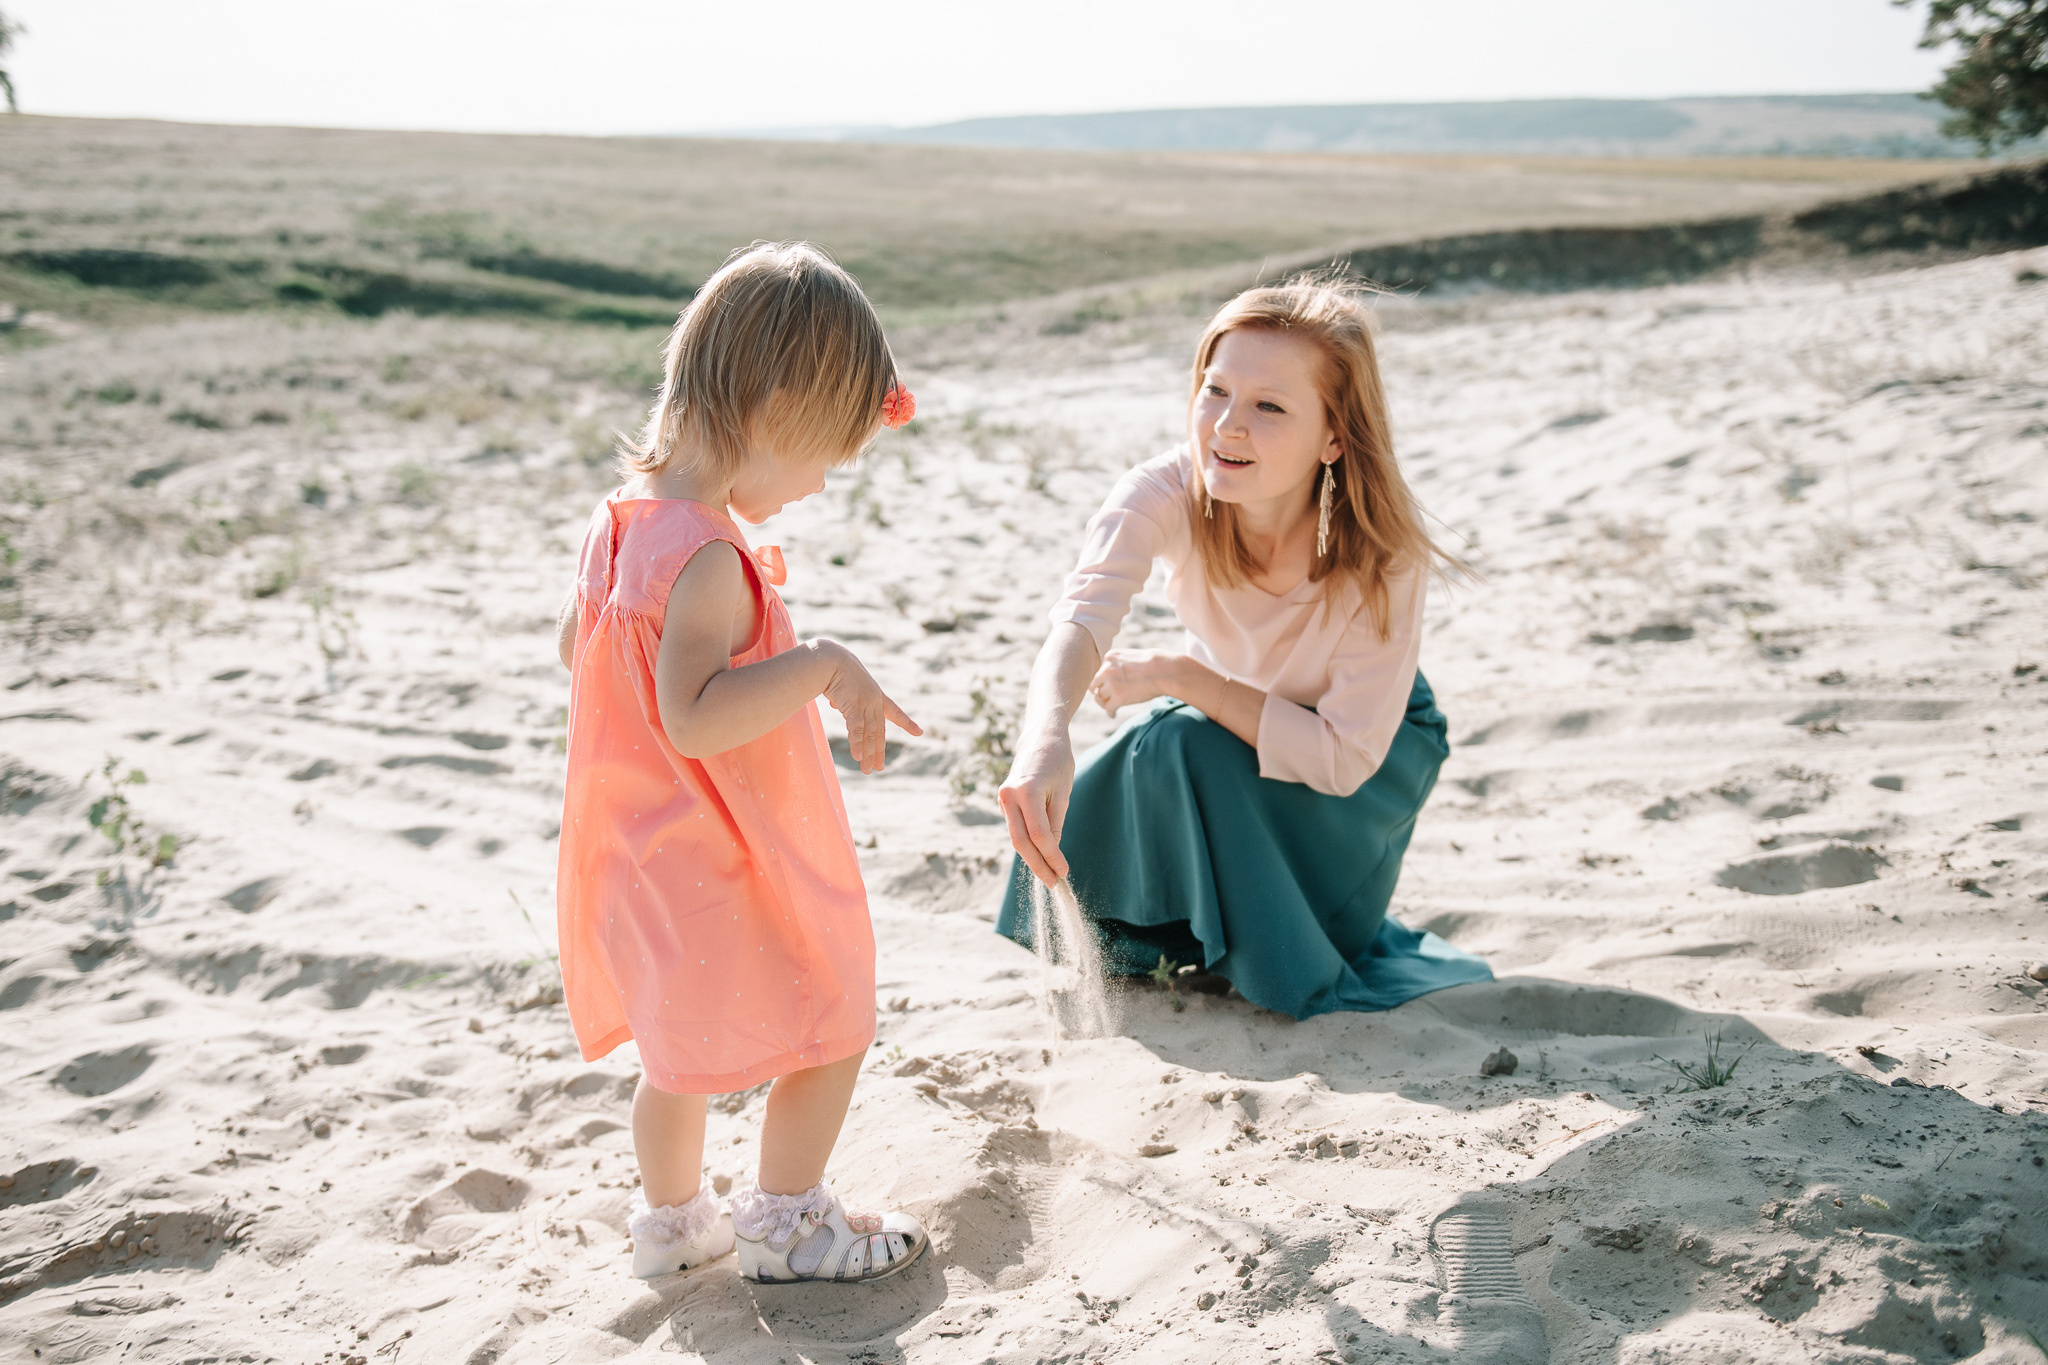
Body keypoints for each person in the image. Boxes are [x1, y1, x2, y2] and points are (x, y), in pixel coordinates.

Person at [555, 243, 928, 1285]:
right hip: (718, 849)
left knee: (671, 1055)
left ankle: (675, 1226)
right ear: (773, 409)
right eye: (820, 458)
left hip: (639, 843)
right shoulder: (708, 555)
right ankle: (788, 1225)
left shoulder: (619, 521)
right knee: (830, 1013)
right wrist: (819, 666)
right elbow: (695, 717)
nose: (814, 487)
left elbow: (575, 652)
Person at [995, 275, 1492, 1019]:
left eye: (1268, 406)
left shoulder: (1381, 553)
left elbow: (1341, 758)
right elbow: (1083, 615)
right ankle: (1156, 940)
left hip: (1363, 762)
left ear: (1334, 434)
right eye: (1215, 390)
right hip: (1235, 741)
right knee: (1156, 749)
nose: (1227, 426)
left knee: (1179, 737)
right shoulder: (1162, 492)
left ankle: (1283, 942)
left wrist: (1181, 675)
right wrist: (1046, 735)